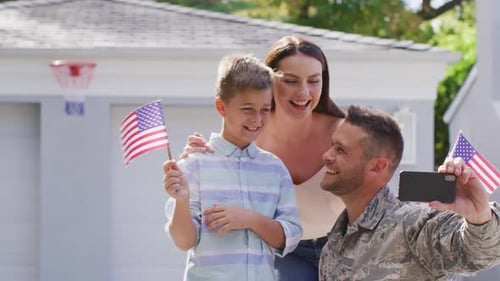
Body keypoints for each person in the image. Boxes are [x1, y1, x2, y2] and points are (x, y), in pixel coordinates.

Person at [178, 35, 346, 281]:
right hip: (282, 251)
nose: (303, 92)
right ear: (268, 81)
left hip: (343, 246)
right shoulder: (250, 130)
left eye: (314, 81)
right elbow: (217, 163)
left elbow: (375, 193)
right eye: (290, 80)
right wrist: (194, 158)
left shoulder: (345, 134)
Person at [319, 105, 500, 281]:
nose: (327, 155)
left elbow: (479, 253)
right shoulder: (331, 249)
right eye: (331, 145)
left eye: (340, 149)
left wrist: (480, 217)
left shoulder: (414, 225)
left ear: (376, 166)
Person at [163, 53, 303, 281]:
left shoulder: (275, 169)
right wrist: (181, 200)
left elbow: (290, 237)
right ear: (221, 106)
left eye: (265, 109)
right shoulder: (194, 165)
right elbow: (183, 241)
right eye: (248, 109)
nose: (257, 119)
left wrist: (250, 219)